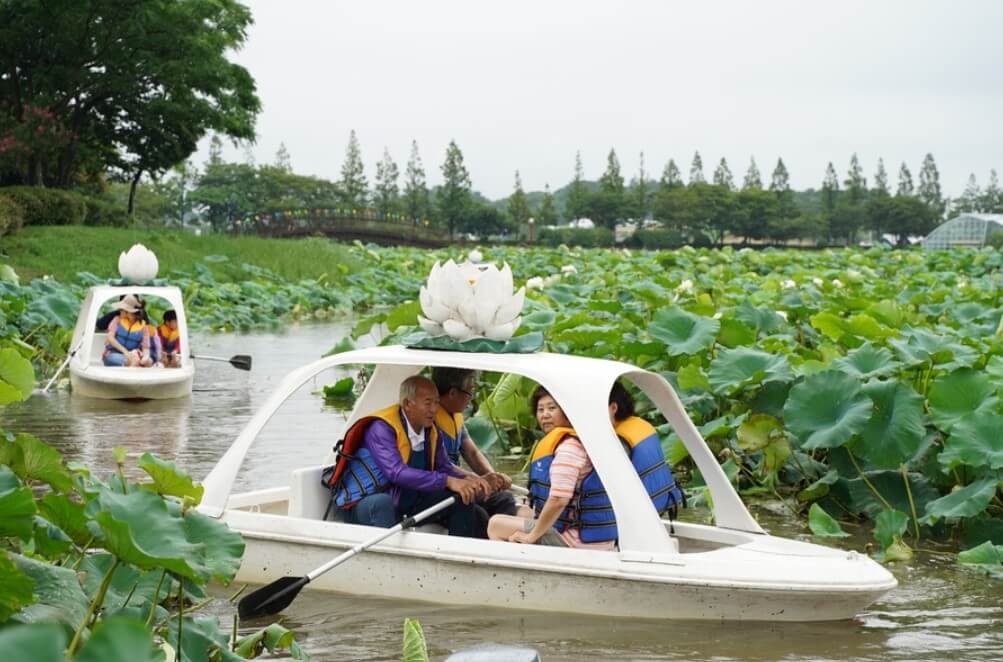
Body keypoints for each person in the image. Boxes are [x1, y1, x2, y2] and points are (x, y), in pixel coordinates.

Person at [324, 375, 489, 538]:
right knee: (382, 503)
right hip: (365, 504)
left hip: (406, 501)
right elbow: (396, 472)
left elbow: (444, 467)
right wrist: (448, 481)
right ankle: (387, 560)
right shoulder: (381, 429)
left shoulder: (431, 431)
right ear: (408, 404)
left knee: (463, 499)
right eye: (428, 403)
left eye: (436, 402)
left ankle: (456, 558)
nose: (434, 409)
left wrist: (473, 479)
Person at [487, 386, 616, 550]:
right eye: (540, 409)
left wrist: (531, 537)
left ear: (566, 412)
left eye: (552, 408)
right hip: (591, 536)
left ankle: (517, 573)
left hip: (573, 541)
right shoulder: (583, 441)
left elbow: (558, 500)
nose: (545, 414)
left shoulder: (569, 448)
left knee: (496, 524)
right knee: (522, 512)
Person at [431, 368, 518, 521]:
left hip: (463, 484)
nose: (472, 398)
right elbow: (440, 465)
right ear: (452, 393)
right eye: (470, 391)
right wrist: (480, 480)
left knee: (504, 499)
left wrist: (493, 478)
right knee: (479, 515)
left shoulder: (456, 416)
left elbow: (472, 453)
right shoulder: (428, 418)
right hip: (442, 487)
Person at [606, 381, 686, 530]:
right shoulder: (641, 424)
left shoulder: (619, 438)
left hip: (638, 511)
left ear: (613, 408)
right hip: (660, 502)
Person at [102, 294, 152, 367]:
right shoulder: (117, 320)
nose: (120, 311)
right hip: (114, 354)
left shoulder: (143, 327)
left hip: (133, 355)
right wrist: (126, 353)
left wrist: (145, 358)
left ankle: (135, 366)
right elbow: (110, 338)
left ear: (128, 312)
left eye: (122, 309)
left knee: (149, 361)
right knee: (119, 359)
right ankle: (133, 366)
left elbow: (146, 348)